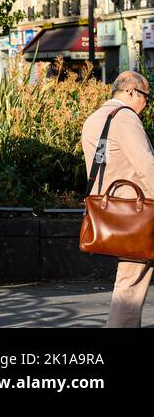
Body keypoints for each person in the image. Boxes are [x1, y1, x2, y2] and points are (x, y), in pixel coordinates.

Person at [82, 69, 154, 327]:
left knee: (129, 280)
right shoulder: (125, 118)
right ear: (132, 91)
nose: (146, 103)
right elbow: (146, 166)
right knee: (129, 285)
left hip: (110, 212)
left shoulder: (94, 118)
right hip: (136, 214)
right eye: (146, 97)